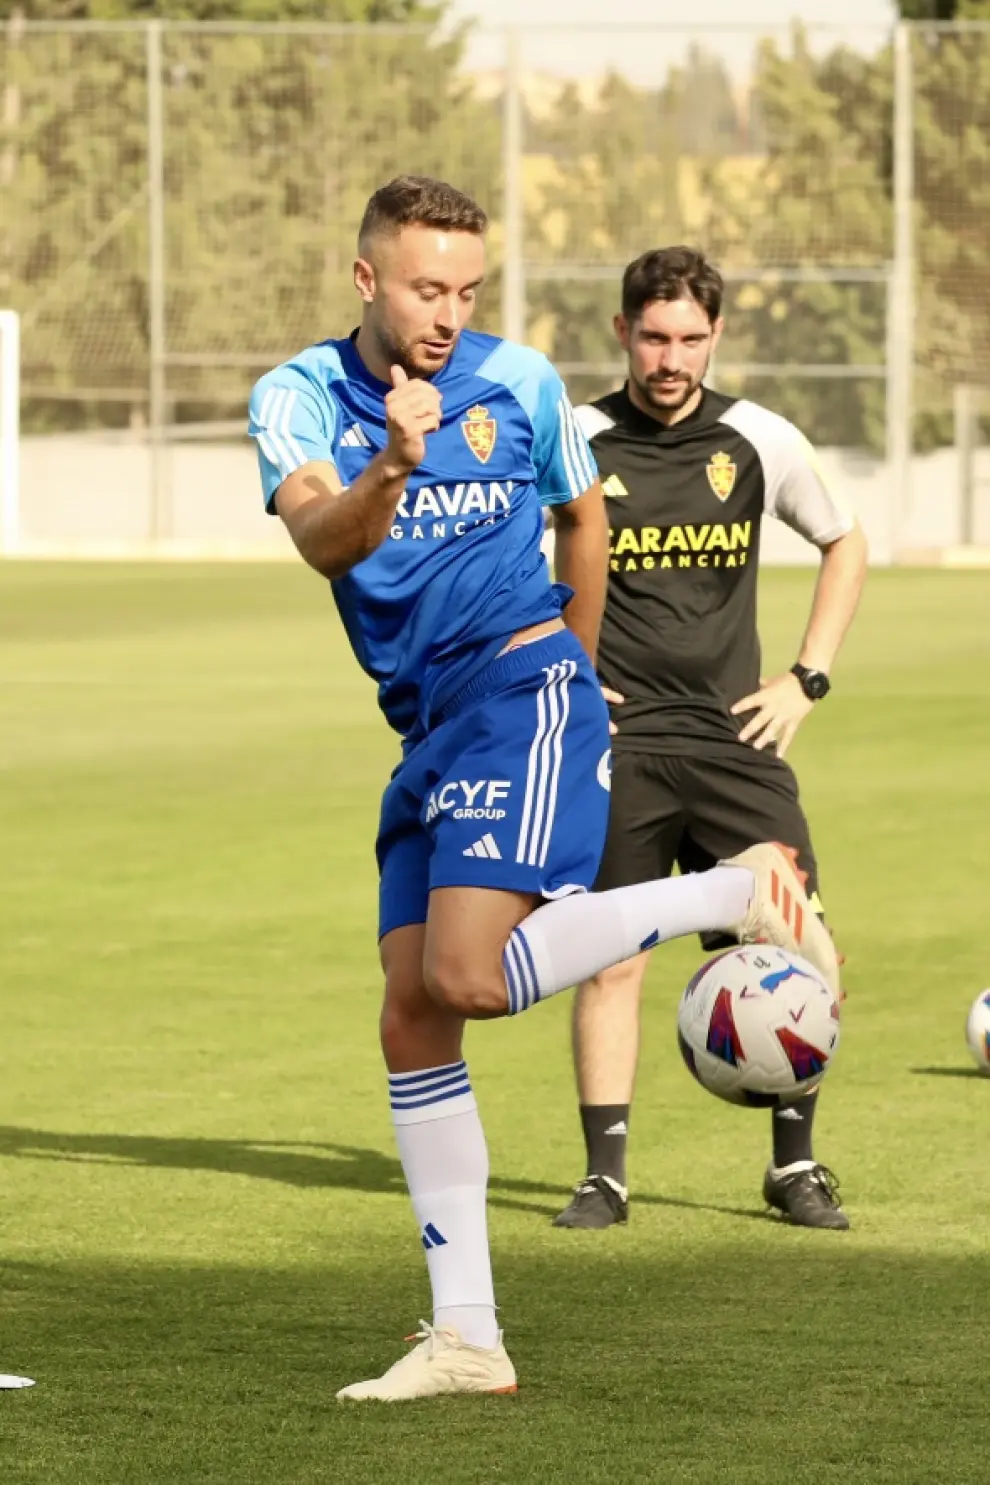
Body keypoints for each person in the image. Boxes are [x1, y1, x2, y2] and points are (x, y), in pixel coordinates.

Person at [248, 181, 838, 1402]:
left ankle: (734, 888)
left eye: (467, 289)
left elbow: (583, 518)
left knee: (465, 976)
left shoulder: (517, 383)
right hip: (424, 727)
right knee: (414, 1016)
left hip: (521, 690)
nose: (449, 314)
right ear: (367, 280)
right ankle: (467, 1339)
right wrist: (393, 469)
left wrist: (571, 655)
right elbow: (323, 540)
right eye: (426, 289)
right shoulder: (297, 396)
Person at [552, 246, 868, 1235]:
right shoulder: (577, 436)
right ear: (622, 333)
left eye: (690, 338)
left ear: (715, 336)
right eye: (653, 337)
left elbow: (844, 539)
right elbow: (522, 560)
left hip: (739, 747)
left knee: (791, 941)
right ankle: (605, 1177)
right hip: (623, 749)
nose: (671, 358)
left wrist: (807, 677)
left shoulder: (758, 439)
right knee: (611, 960)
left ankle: (795, 1165)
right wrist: (565, 672)